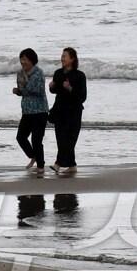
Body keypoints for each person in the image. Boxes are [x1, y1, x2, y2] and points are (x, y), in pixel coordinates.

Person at [48, 46, 87, 175]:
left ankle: (58, 164)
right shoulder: (58, 73)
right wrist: (51, 87)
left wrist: (70, 88)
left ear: (72, 59)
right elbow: (55, 91)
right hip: (59, 109)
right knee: (61, 139)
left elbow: (82, 97)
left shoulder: (80, 75)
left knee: (70, 139)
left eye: (65, 56)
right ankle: (72, 165)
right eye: (62, 56)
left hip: (74, 111)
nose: (62, 58)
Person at [12, 48, 49, 176]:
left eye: (25, 59)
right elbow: (23, 91)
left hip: (40, 111)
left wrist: (20, 90)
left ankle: (40, 165)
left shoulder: (39, 73)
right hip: (27, 111)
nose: (23, 62)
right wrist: (19, 91)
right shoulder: (20, 73)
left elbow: (35, 90)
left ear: (32, 60)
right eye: (21, 59)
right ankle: (33, 156)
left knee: (36, 140)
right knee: (20, 137)